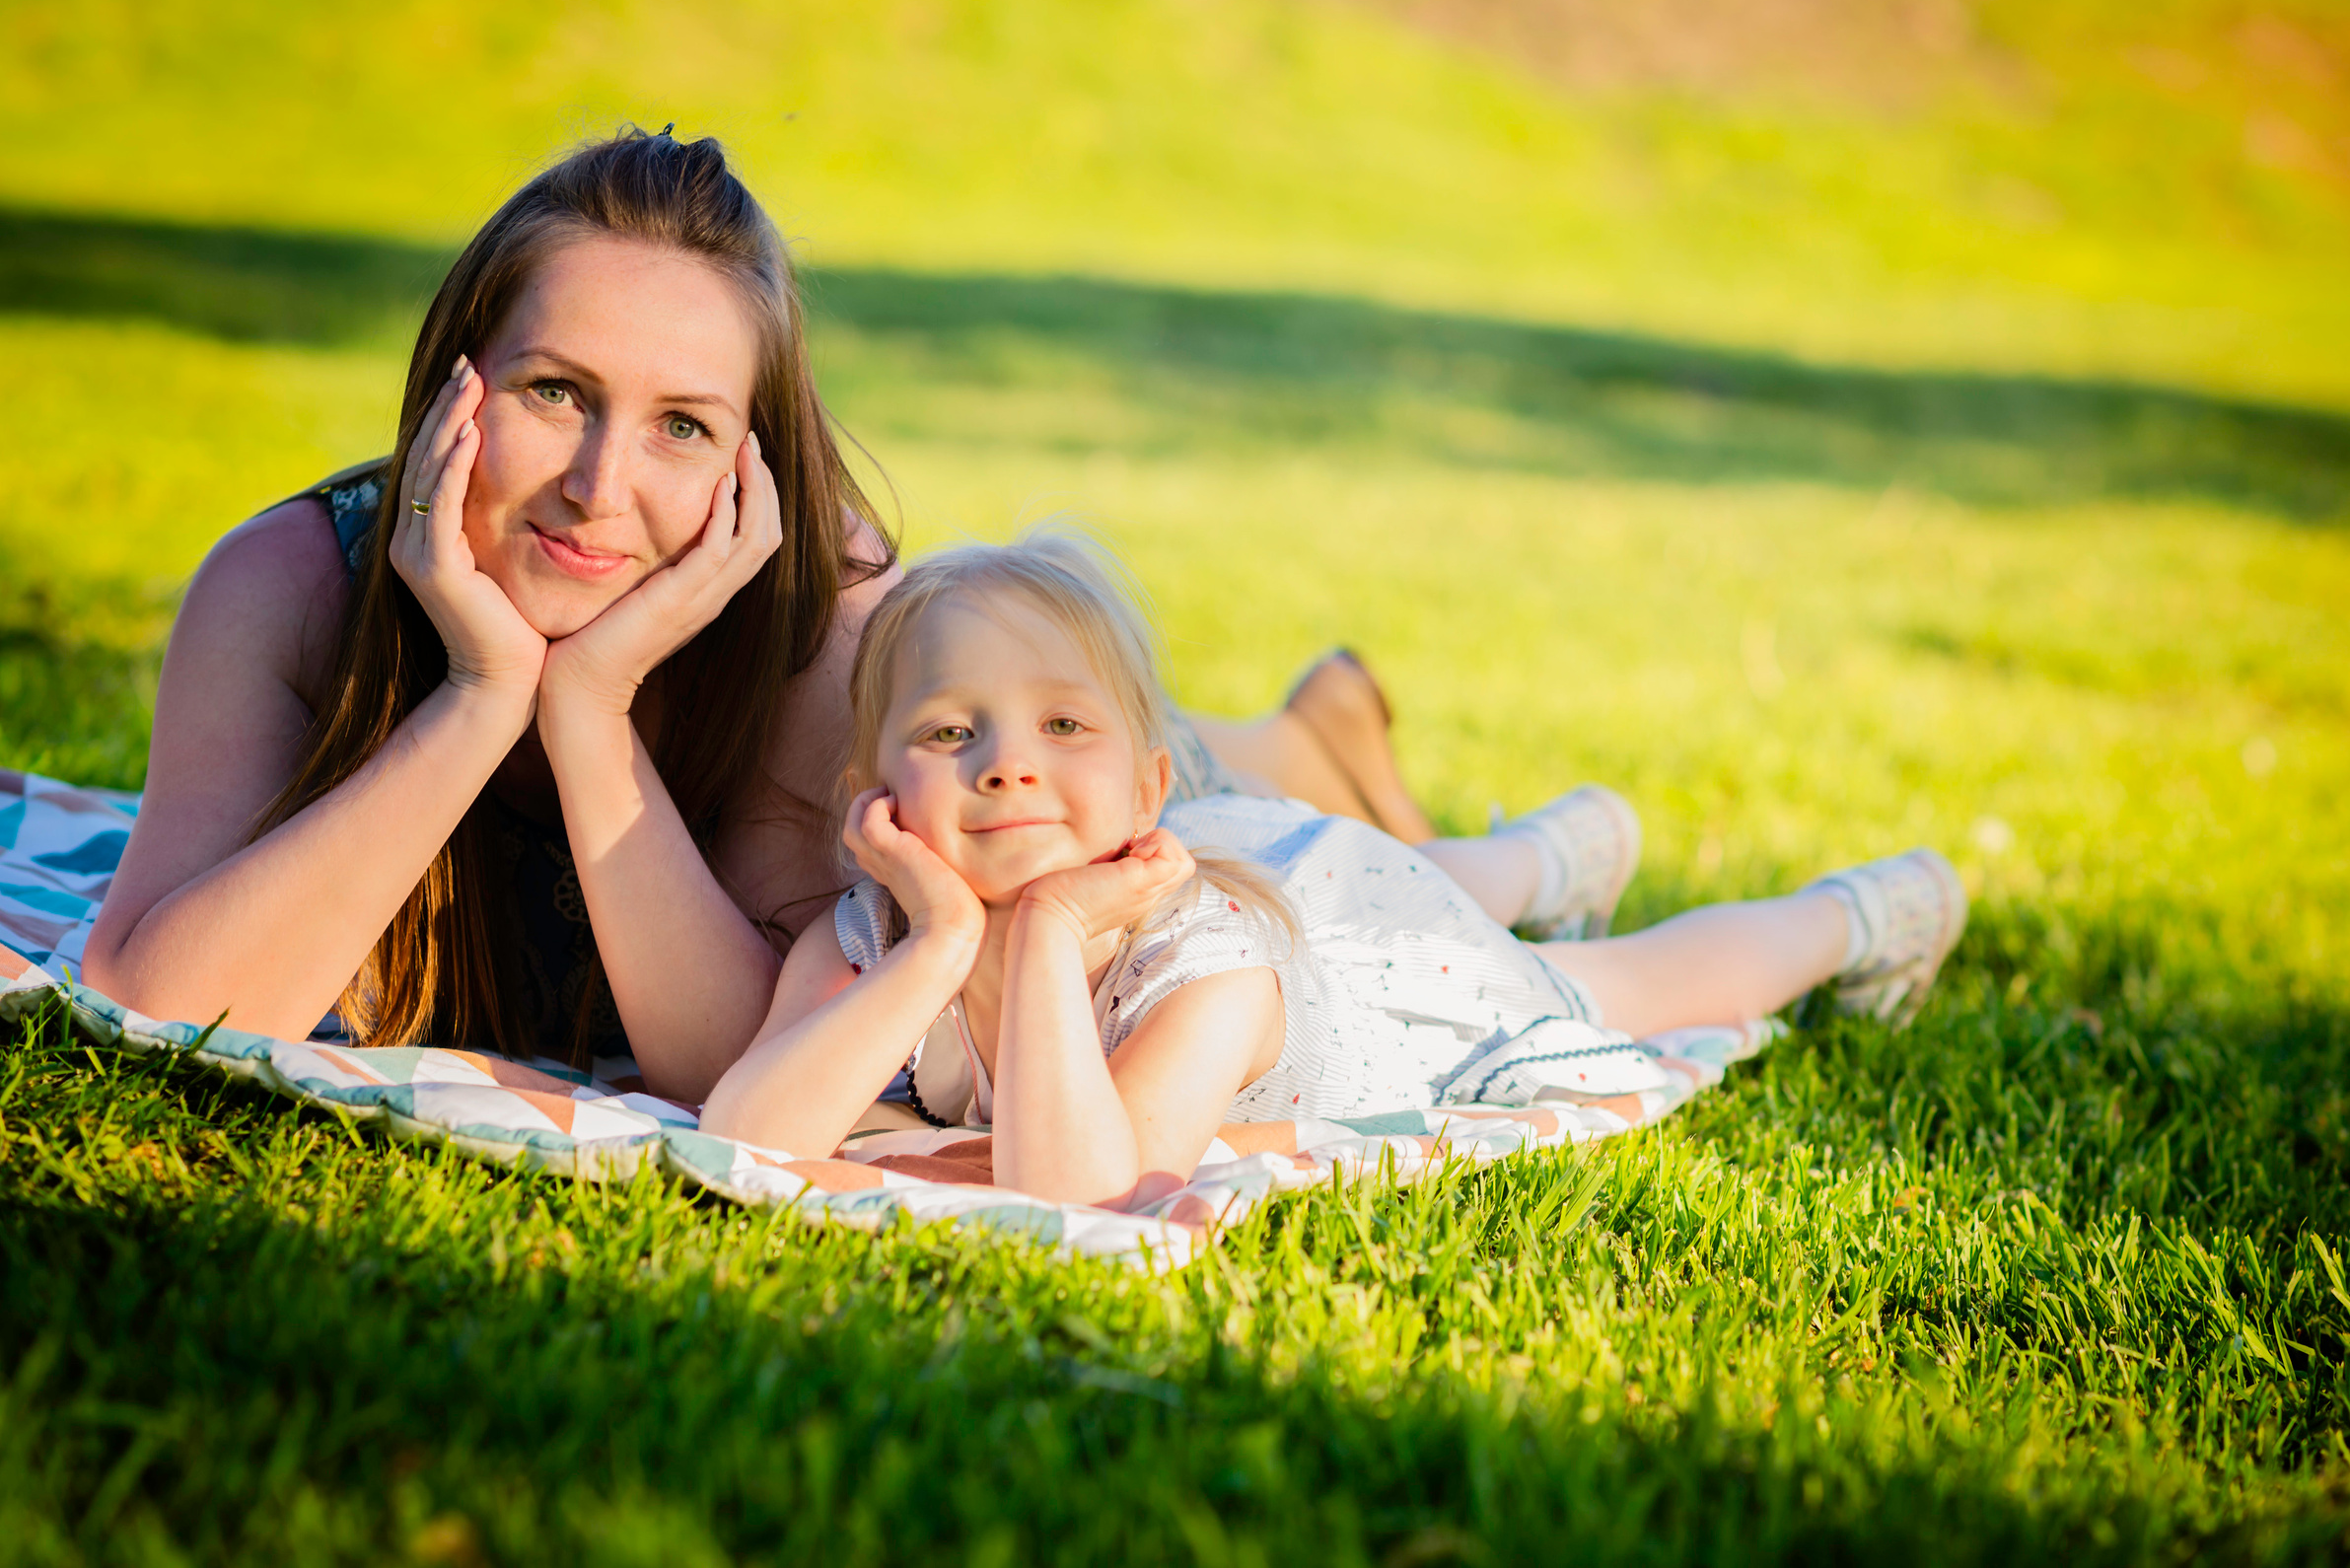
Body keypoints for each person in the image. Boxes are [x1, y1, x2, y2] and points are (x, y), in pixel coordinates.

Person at [80, 127, 1621, 1103]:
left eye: (684, 424)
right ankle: (1315, 741)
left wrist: (590, 713)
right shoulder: (289, 587)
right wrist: (486, 692)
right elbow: (161, 999)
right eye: (558, 394)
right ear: (454, 386)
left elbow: (735, 1052)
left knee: (1338, 887)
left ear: (754, 461)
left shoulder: (827, 634)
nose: (601, 490)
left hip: (1057, 803)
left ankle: (1466, 825)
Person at [699, 533, 1968, 1206]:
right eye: (946, 731)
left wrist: (1032, 937)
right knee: (1437, 881)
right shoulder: (877, 936)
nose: (1006, 767)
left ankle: (1854, 914)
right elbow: (746, 1133)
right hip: (1297, 874)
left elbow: (1081, 1191)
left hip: (1360, 963)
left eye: (1063, 726)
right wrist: (937, 944)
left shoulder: (1208, 976)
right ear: (878, 792)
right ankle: (1552, 846)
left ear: (1151, 788)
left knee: (1599, 981)